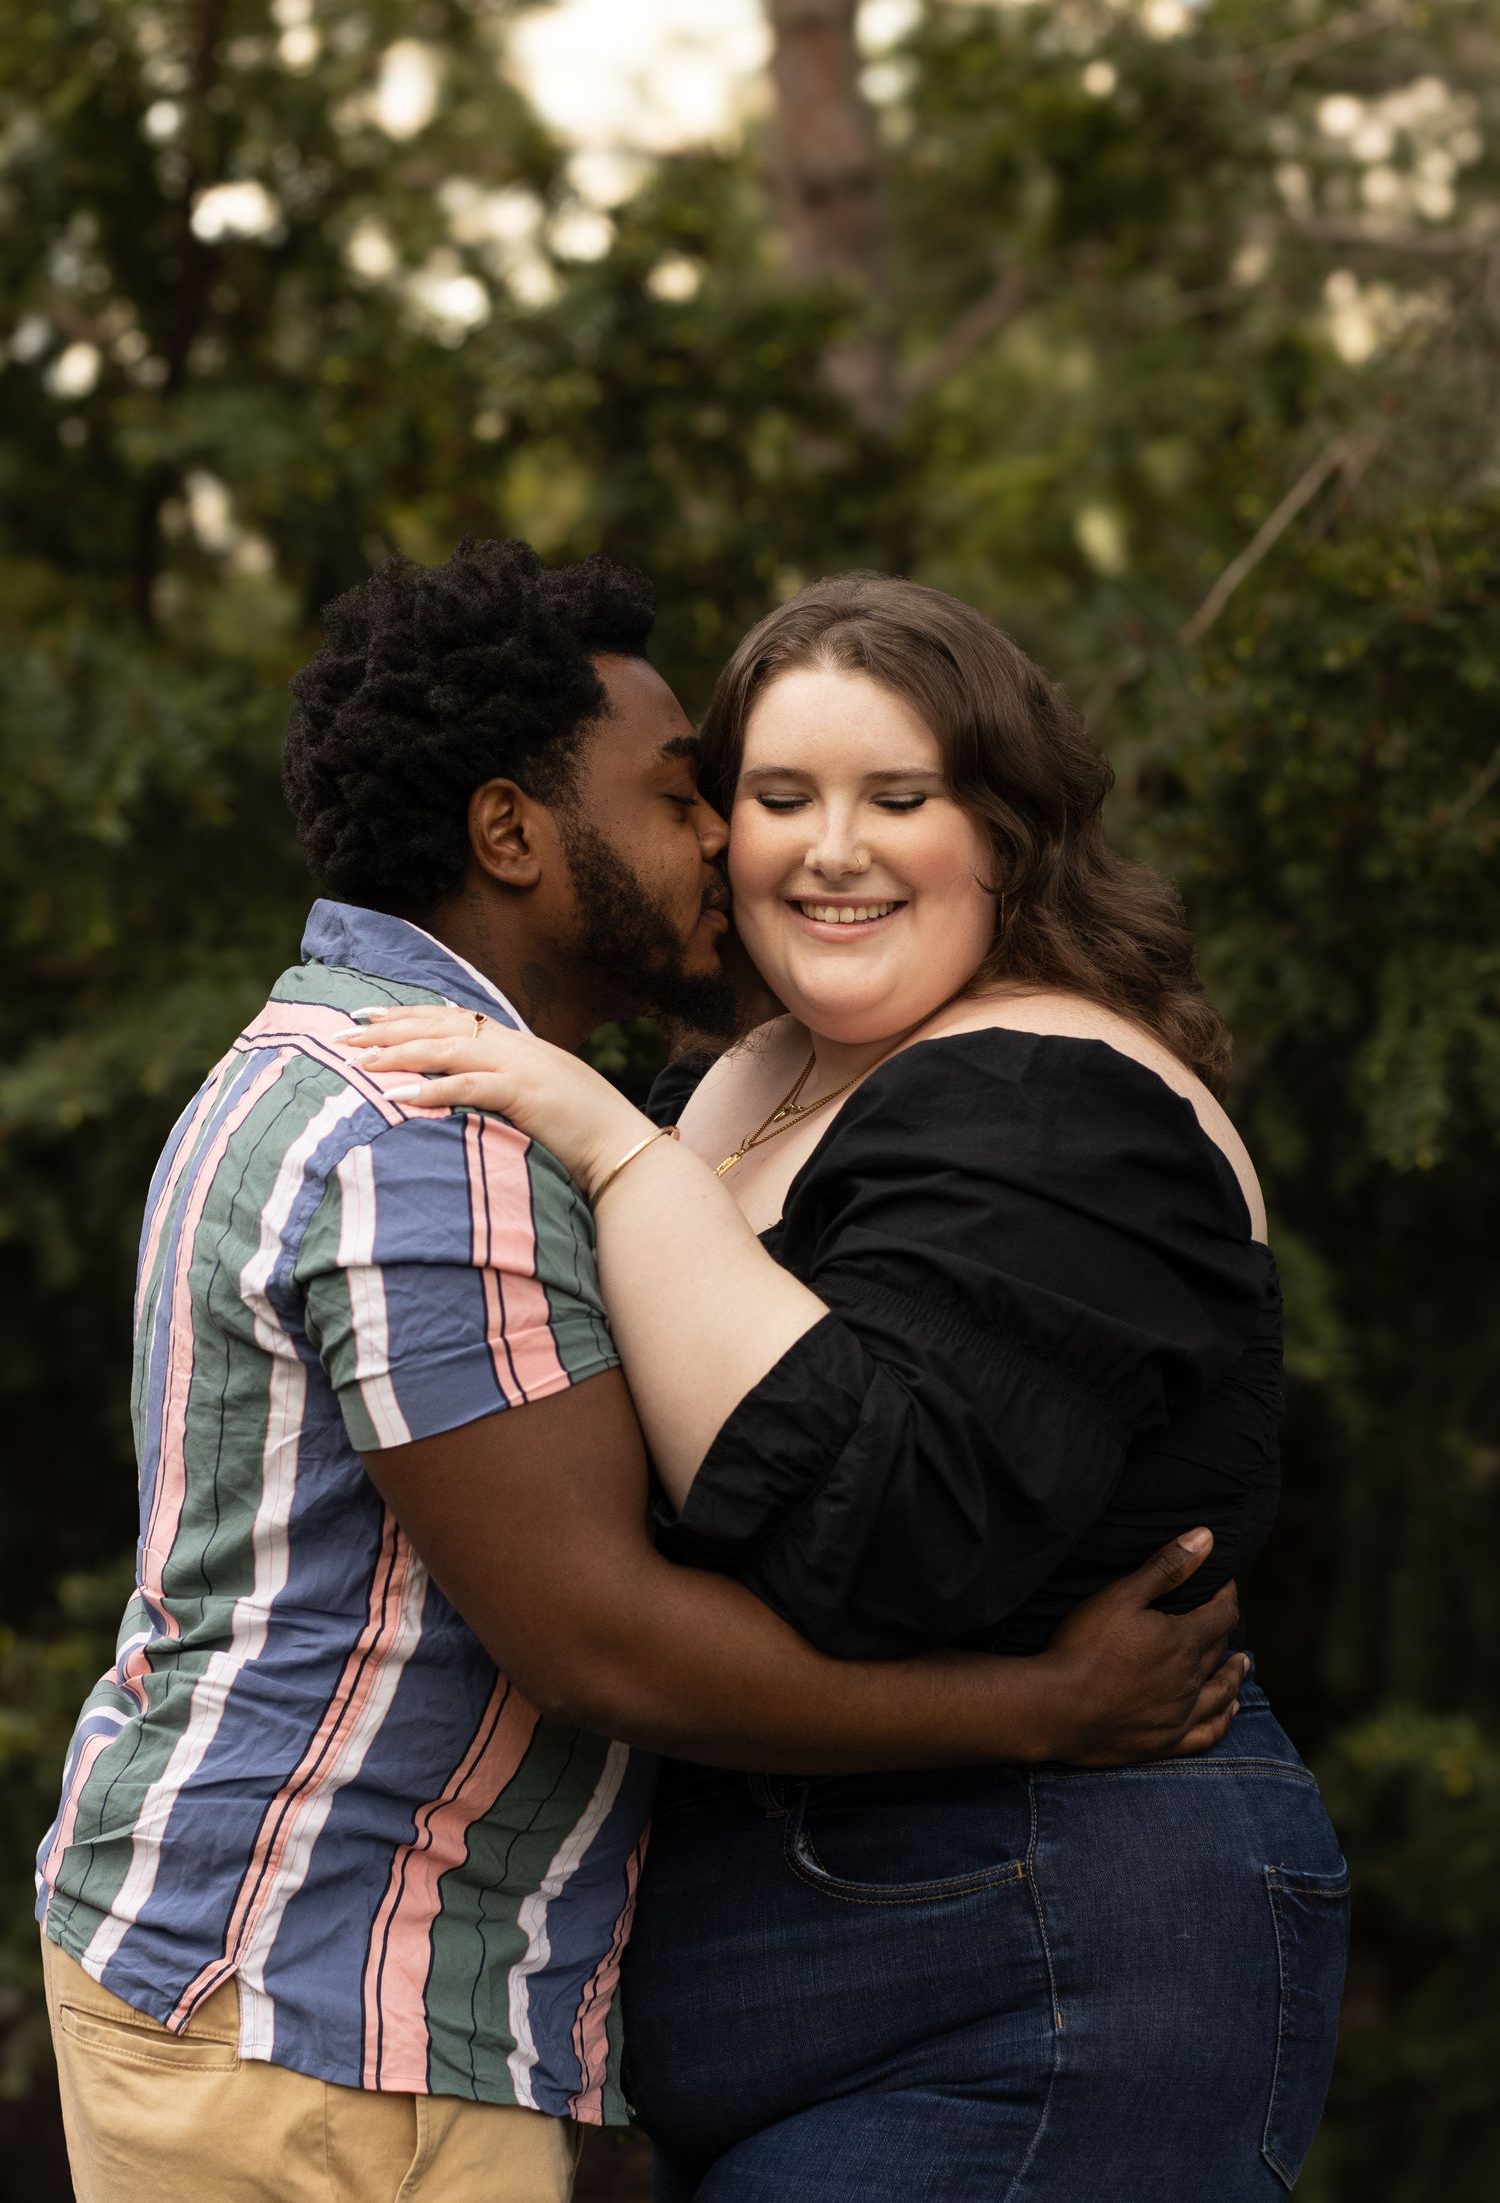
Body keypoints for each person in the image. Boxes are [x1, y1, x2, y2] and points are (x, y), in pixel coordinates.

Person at [36, 543, 1246, 2203]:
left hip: (305, 1994)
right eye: (696, 795)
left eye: (898, 794)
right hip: (319, 2004)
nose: (721, 845)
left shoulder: (353, 1062)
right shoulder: (433, 1126)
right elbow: (600, 1633)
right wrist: (1040, 1704)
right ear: (512, 832)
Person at [355, 571, 1350, 2201]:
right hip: (776, 1952)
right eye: (778, 796)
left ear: (1009, 833)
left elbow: (889, 1533)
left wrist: (609, 1148)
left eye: (902, 796)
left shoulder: (1060, 1094)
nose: (833, 849)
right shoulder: (745, 1080)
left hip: (1040, 1938)